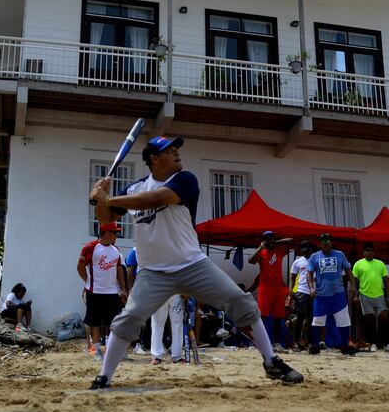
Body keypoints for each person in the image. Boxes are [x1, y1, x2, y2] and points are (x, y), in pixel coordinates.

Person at [88, 135, 303, 388]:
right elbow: (105, 218)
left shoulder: (185, 180)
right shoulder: (134, 189)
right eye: (169, 150)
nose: (176, 153)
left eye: (176, 149)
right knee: (129, 317)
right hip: (153, 273)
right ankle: (104, 377)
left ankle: (271, 361)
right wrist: (100, 198)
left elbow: (157, 199)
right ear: (154, 159)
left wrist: (109, 199)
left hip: (192, 265)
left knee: (240, 301)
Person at [305, 234, 357, 356]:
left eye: (327, 241)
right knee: (317, 322)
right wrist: (311, 288)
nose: (325, 243)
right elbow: (309, 274)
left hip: (338, 295)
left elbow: (349, 271)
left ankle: (345, 346)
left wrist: (353, 286)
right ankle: (315, 346)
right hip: (321, 296)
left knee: (343, 321)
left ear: (331, 242)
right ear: (320, 244)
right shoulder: (314, 256)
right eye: (323, 241)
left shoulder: (340, 254)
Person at [77, 223, 126, 353]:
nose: (116, 236)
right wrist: (88, 281)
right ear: (107, 233)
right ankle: (97, 350)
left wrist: (122, 289)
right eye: (114, 233)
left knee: (112, 322)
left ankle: (111, 349)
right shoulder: (91, 248)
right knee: (95, 322)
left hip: (112, 292)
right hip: (95, 291)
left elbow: (119, 269)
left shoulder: (115, 250)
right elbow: (80, 267)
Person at [248, 231, 291, 351]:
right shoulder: (261, 252)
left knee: (279, 317)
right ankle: (260, 342)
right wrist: (260, 247)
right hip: (265, 288)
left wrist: (275, 242)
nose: (270, 240)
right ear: (263, 241)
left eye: (272, 238)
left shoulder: (279, 250)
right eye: (267, 239)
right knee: (262, 316)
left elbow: (290, 240)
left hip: (278, 289)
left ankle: (276, 343)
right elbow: (250, 260)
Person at [351, 243, 389, 352]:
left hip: (379, 295)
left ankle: (384, 342)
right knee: (369, 318)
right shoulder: (358, 264)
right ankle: (373, 342)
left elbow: (386, 281)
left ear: (374, 252)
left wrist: (388, 296)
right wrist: (355, 296)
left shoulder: (380, 263)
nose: (369, 252)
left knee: (383, 316)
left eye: (371, 250)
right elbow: (354, 282)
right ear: (363, 253)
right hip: (365, 295)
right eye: (367, 251)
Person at [289, 242, 314, 350]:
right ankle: (296, 342)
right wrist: (291, 289)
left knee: (312, 319)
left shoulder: (316, 259)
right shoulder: (298, 261)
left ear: (311, 249)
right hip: (301, 291)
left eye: (307, 250)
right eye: (303, 250)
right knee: (300, 318)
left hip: (314, 293)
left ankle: (310, 342)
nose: (305, 252)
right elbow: (292, 277)